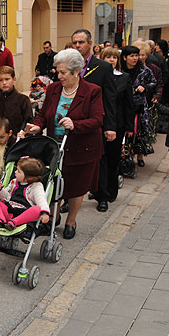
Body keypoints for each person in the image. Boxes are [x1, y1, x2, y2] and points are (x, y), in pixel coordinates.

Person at [22, 49, 105, 240]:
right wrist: (37, 126)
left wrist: (76, 124)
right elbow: (43, 114)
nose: (58, 76)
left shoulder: (92, 91)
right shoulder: (53, 89)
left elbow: (97, 119)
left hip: (81, 148)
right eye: (57, 72)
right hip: (55, 146)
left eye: (63, 73)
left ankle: (71, 221)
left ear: (76, 71)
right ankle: (53, 217)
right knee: (54, 182)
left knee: (76, 186)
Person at [71, 29, 116, 214]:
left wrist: (110, 126)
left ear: (90, 44)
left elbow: (110, 98)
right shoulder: (69, 66)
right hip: (73, 123)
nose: (77, 46)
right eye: (74, 42)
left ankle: (102, 196)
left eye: (81, 42)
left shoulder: (103, 67)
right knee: (72, 162)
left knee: (100, 160)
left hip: (95, 122)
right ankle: (70, 197)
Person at [94, 47, 134, 206]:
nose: (111, 60)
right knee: (99, 159)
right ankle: (98, 190)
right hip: (98, 123)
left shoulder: (124, 77)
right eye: (107, 57)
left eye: (114, 57)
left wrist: (129, 127)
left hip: (116, 124)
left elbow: (128, 104)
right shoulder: (95, 77)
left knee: (112, 159)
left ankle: (111, 190)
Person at [0, 157, 50, 231]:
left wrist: (44, 213)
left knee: (37, 209)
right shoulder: (14, 182)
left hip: (23, 214)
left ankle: (14, 222)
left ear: (28, 177)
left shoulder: (36, 186)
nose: (15, 172)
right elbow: (5, 196)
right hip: (9, 209)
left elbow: (41, 200)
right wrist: (0, 190)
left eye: (18, 171)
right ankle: (1, 219)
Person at [121, 45, 157, 167]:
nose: (135, 58)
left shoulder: (144, 70)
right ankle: (126, 155)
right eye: (132, 56)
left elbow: (154, 82)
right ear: (125, 58)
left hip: (139, 104)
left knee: (140, 130)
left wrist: (145, 87)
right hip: (124, 104)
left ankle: (140, 155)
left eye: (136, 55)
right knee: (127, 131)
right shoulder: (120, 70)